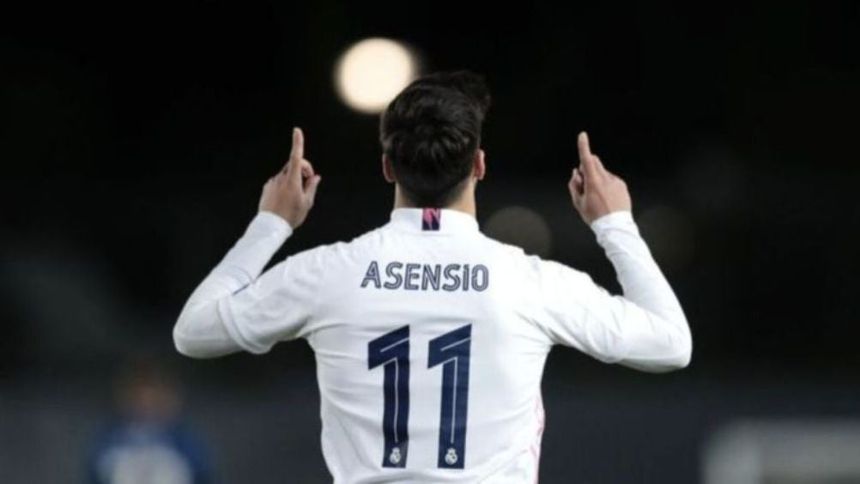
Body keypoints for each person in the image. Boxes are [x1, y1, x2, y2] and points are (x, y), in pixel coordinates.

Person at [172, 70, 692, 483]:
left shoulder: (329, 273)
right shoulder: (527, 281)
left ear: (387, 168)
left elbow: (193, 331)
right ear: (479, 165)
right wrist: (614, 224)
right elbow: (671, 343)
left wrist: (271, 224)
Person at [86, 358, 212, 484]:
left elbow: (204, 475)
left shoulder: (186, 443)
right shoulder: (108, 442)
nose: (146, 404)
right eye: (138, 396)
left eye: (154, 397)